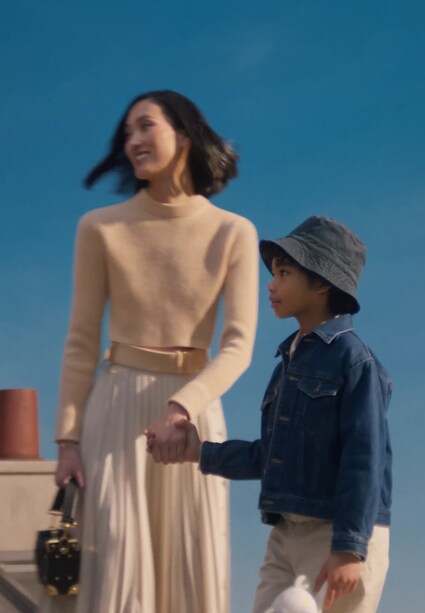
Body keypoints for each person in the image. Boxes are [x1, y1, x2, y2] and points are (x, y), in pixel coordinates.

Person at [51, 90, 258, 613]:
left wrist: (182, 407)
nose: (133, 141)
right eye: (127, 133)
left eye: (146, 126)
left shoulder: (234, 232)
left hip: (193, 415)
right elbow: (81, 341)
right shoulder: (98, 228)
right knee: (119, 569)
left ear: (184, 134)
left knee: (191, 570)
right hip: (116, 407)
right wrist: (68, 440)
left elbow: (238, 346)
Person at [170, 216, 393, 612]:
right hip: (286, 534)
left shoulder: (355, 362)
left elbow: (364, 459)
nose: (271, 285)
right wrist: (200, 452)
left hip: (338, 534)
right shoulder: (286, 364)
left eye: (284, 273)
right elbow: (272, 454)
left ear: (322, 282)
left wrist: (349, 547)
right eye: (273, 273)